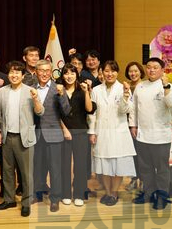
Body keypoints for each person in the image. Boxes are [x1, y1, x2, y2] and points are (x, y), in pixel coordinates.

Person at [129, 57, 172, 210]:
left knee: (162, 169)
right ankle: (148, 193)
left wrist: (166, 86)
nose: (151, 70)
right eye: (149, 67)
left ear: (162, 70)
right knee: (145, 168)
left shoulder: (170, 87)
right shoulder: (140, 86)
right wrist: (133, 125)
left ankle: (162, 196)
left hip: (161, 137)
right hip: (142, 135)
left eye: (155, 67)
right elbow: (134, 108)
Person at [0, 61, 44, 217]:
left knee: (26, 173)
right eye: (11, 72)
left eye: (17, 72)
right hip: (7, 136)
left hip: (25, 137)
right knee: (7, 170)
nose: (14, 75)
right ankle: (9, 199)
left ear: (23, 76)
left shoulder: (31, 91)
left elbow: (40, 112)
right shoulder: (2, 91)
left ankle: (26, 202)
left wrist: (36, 99)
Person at [90, 60, 136, 206]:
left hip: (118, 132)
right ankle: (108, 192)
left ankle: (114, 193)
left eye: (113, 71)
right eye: (107, 71)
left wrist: (126, 96)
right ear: (102, 72)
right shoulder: (96, 90)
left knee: (117, 165)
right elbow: (92, 113)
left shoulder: (123, 88)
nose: (110, 74)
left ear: (117, 72)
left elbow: (126, 110)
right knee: (104, 164)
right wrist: (92, 132)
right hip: (101, 131)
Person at [31, 60, 71, 212]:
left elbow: (66, 111)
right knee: (37, 167)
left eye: (48, 70)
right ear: (36, 72)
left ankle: (55, 199)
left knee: (55, 169)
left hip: (54, 134)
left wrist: (62, 95)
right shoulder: (30, 88)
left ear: (51, 72)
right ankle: (37, 194)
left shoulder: (58, 88)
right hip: (35, 134)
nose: (45, 73)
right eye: (41, 70)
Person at [58, 63, 96, 207]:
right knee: (64, 164)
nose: (69, 76)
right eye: (66, 73)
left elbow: (89, 109)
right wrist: (64, 129)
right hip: (64, 133)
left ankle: (79, 194)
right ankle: (66, 194)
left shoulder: (82, 90)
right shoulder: (58, 90)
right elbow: (56, 113)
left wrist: (87, 92)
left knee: (80, 164)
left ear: (77, 75)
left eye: (72, 73)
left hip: (80, 132)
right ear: (62, 75)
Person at [124, 61, 145, 191]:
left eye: (136, 71)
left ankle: (143, 179)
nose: (133, 73)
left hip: (142, 124)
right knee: (132, 154)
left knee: (142, 154)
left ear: (140, 72)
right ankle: (133, 179)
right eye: (131, 71)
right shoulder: (125, 86)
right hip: (127, 125)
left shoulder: (145, 86)